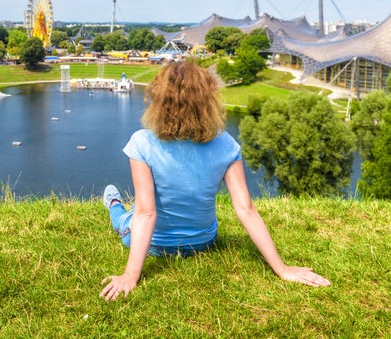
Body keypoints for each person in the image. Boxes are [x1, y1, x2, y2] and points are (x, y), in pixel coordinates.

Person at [100, 61, 330, 301]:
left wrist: (130, 276)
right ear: (207, 100)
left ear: (160, 100)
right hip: (203, 242)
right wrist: (282, 269)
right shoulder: (226, 144)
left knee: (125, 217)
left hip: (156, 245)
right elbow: (246, 210)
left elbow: (147, 214)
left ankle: (114, 203)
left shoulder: (141, 142)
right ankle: (116, 204)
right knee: (136, 212)